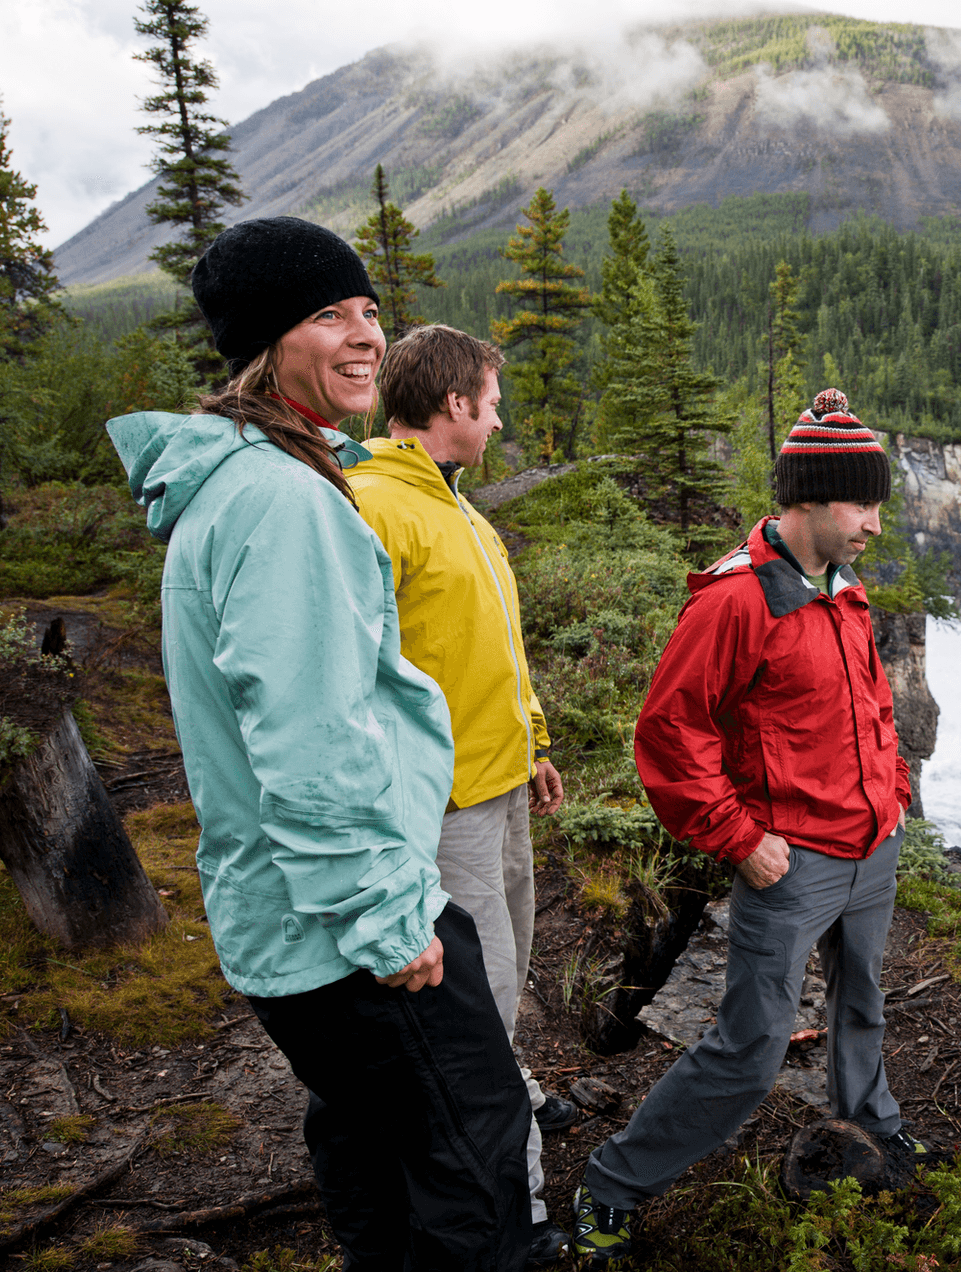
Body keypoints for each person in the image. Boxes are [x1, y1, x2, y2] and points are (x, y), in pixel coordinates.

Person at [105, 217, 533, 1272]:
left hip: (291, 916)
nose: (364, 336)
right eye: (326, 314)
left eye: (369, 311)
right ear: (266, 341)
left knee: (368, 1144)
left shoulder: (252, 481)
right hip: (351, 920)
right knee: (477, 1160)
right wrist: (391, 918)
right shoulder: (283, 501)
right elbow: (309, 737)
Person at [571, 389, 919, 1262]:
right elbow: (668, 732)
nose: (875, 524)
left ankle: (874, 1131)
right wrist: (739, 840)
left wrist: (895, 790)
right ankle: (611, 1184)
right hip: (790, 862)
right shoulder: (736, 602)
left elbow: (870, 700)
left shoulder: (843, 587)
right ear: (806, 499)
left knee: (863, 1002)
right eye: (861, 504)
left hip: (872, 844)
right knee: (750, 1048)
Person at [346, 324, 574, 1267]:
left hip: (503, 779)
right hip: (443, 807)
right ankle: (506, 1202)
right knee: (476, 1002)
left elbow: (490, 647)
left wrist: (537, 741)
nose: (499, 416)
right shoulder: (371, 507)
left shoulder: (462, 512)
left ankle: (512, 1093)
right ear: (454, 407)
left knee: (506, 975)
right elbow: (353, 677)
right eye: (492, 399)